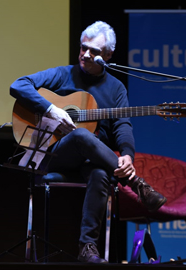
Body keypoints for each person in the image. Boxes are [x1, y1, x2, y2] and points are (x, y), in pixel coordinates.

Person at [10, 21, 166, 263]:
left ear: (108, 55)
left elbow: (122, 124)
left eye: (94, 51)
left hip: (92, 160)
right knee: (82, 135)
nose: (86, 54)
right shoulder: (62, 74)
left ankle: (87, 248)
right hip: (54, 154)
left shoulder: (116, 88)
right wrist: (52, 109)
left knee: (101, 174)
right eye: (83, 48)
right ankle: (136, 185)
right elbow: (18, 85)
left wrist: (127, 154)